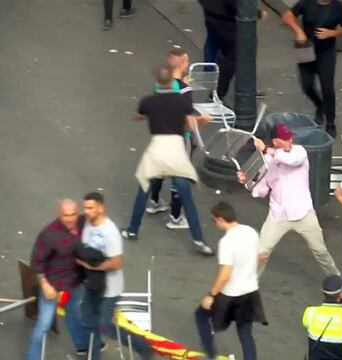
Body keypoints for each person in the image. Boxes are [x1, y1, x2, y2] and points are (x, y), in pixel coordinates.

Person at [121, 65, 214, 256]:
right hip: (176, 150)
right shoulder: (182, 103)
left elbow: (139, 116)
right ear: (172, 82)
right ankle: (199, 241)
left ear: (157, 82)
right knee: (186, 196)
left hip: (157, 149)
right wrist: (200, 120)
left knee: (143, 189)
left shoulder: (148, 102)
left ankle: (132, 230)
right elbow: (189, 125)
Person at [237, 123, 340, 276]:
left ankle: (338, 284)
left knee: (321, 252)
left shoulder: (299, 152)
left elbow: (291, 161)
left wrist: (266, 149)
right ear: (276, 141)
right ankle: (249, 288)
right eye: (285, 139)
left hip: (304, 214)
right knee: (261, 253)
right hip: (277, 216)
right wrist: (247, 181)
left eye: (290, 137)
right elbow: (261, 189)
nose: (290, 140)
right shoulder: (267, 161)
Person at [76, 192, 153, 359]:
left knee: (104, 325)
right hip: (93, 285)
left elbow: (116, 263)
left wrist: (91, 266)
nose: (86, 211)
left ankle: (142, 346)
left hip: (110, 289)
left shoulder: (109, 232)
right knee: (87, 319)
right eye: (85, 207)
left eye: (90, 208)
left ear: (101, 208)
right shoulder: (87, 225)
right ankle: (94, 354)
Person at [195, 202, 267, 360]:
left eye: (214, 221)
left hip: (230, 294)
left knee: (201, 315)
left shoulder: (226, 242)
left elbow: (225, 274)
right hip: (250, 291)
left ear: (221, 219)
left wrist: (211, 295)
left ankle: (211, 354)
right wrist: (248, 273)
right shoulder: (251, 232)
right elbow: (261, 257)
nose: (215, 224)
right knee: (245, 333)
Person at [146, 49, 209, 231]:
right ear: (182, 64)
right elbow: (186, 121)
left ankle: (154, 201)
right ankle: (175, 217)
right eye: (187, 62)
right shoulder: (185, 90)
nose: (188, 65)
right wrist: (202, 119)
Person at [26, 199, 87, 360]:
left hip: (75, 283)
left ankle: (82, 345)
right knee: (43, 325)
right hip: (53, 285)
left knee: (73, 314)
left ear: (77, 213)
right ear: (59, 215)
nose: (70, 219)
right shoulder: (49, 235)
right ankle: (32, 357)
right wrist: (45, 285)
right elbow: (36, 262)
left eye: (73, 214)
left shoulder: (81, 224)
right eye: (66, 215)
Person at [282, 0, 342, 137]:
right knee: (306, 86)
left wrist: (332, 33)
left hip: (326, 53)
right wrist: (299, 31)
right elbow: (287, 15)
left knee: (327, 88)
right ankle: (319, 105)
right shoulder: (307, 3)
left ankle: (331, 122)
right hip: (306, 49)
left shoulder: (337, 7)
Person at [198, 0, 267, 102]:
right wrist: (257, 13)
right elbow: (236, 5)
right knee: (235, 56)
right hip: (227, 22)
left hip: (211, 15)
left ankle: (211, 77)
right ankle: (220, 93)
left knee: (214, 44)